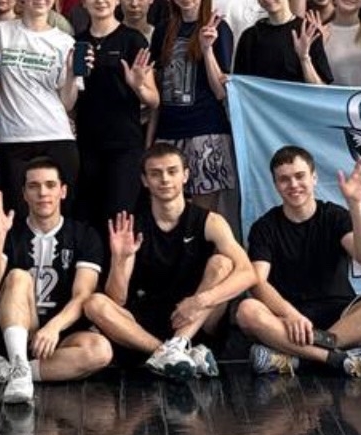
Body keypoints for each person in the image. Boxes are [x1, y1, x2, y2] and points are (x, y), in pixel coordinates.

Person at [83, 143, 255, 377]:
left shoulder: (210, 221)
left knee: (222, 264)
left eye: (172, 171)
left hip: (195, 319)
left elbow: (247, 272)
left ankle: (178, 344)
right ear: (145, 181)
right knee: (94, 303)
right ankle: (167, 353)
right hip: (143, 328)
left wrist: (201, 301)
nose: (164, 179)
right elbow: (117, 299)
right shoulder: (133, 225)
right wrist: (120, 260)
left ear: (185, 175)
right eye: (155, 173)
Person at [234, 147, 361, 377]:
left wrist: (356, 204)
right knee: (247, 310)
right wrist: (291, 315)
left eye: (299, 176)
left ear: (314, 178)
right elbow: (257, 283)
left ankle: (296, 358)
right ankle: (337, 359)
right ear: (275, 185)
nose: (293, 184)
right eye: (284, 179)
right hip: (288, 321)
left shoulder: (334, 215)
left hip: (341, 317)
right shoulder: (265, 227)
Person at [0, 163, 114, 405]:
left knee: (101, 351)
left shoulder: (84, 235)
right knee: (19, 277)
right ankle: (18, 361)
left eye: (50, 185)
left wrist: (54, 328)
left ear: (63, 191)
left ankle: (6, 372)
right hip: (18, 329)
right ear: (24, 194)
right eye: (34, 186)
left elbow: (83, 296)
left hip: (61, 334)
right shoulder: (10, 232)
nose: (43, 193)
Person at [0, 0, 80, 202]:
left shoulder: (65, 41)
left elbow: (68, 103)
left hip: (57, 136)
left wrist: (71, 73)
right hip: (12, 139)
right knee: (17, 213)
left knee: (58, 212)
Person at [71, 0, 157, 232]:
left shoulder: (133, 40)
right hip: (86, 145)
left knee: (120, 217)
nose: (100, 0)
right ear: (83, 0)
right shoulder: (75, 42)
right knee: (87, 218)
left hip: (124, 145)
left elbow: (154, 100)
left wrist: (138, 86)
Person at [150, 0, 236, 211]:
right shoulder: (162, 30)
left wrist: (207, 49)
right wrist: (150, 137)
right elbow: (157, 91)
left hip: (206, 130)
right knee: (169, 210)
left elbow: (221, 91)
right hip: (168, 131)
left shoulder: (219, 28)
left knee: (202, 214)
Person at [233, 0, 330, 83]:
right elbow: (241, 85)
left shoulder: (308, 32)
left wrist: (304, 58)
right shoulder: (250, 37)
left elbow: (321, 89)